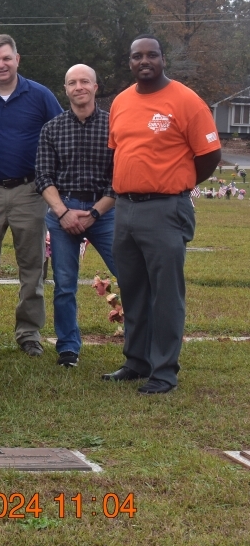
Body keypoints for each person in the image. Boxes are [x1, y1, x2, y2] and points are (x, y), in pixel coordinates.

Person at [105, 37, 220, 394]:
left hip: (165, 208)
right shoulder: (121, 101)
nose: (144, 61)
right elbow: (118, 151)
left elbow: (209, 155)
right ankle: (136, 361)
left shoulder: (186, 100)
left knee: (166, 294)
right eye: (137, 55)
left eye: (151, 55)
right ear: (129, 62)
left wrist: (175, 183)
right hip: (125, 209)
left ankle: (164, 371)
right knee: (133, 288)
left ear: (162, 59)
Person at [0, 35, 63, 356]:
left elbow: (60, 135)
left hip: (30, 191)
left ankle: (29, 333)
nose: (1, 65)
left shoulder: (39, 95)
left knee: (32, 267)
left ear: (17, 59)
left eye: (6, 58)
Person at [35, 64, 120, 368]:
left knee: (129, 276)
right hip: (63, 212)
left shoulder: (114, 126)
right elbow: (43, 178)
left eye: (85, 81)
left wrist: (96, 212)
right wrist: (63, 213)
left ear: (96, 87)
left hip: (105, 211)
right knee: (65, 284)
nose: (79, 87)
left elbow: (119, 178)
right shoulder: (52, 128)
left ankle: (139, 341)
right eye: (72, 82)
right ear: (66, 89)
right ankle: (68, 348)